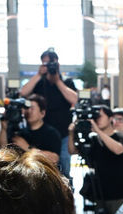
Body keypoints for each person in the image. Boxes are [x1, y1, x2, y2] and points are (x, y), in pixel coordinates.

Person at [67, 104, 123, 214]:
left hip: (121, 195)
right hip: (101, 195)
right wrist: (72, 133)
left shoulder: (120, 136)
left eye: (99, 117)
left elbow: (118, 149)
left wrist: (96, 131)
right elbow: (72, 151)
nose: (96, 120)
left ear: (110, 118)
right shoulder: (93, 140)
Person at [20, 48, 78, 178]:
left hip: (63, 134)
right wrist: (38, 75)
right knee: (41, 169)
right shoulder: (39, 83)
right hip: (43, 133)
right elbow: (23, 93)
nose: (49, 66)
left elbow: (74, 99)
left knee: (63, 169)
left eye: (52, 64)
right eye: (45, 64)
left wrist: (57, 81)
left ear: (58, 64)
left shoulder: (66, 82)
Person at [0, 94, 61, 166]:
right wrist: (3, 129)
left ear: (42, 113)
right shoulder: (20, 132)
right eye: (27, 108)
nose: (28, 111)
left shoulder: (51, 133)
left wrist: (28, 148)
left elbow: (54, 159)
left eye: (32, 108)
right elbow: (4, 148)